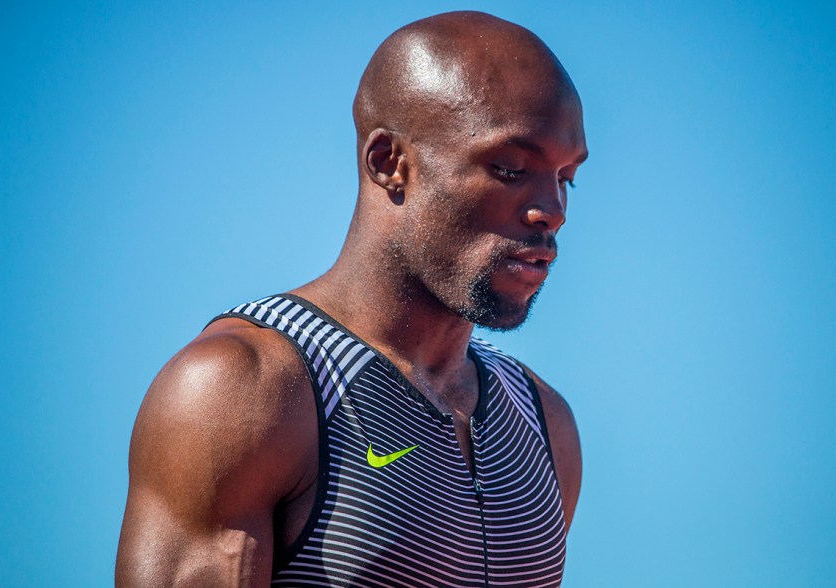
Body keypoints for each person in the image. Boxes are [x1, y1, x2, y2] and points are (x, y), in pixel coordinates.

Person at [116, 10, 588, 587]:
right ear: (390, 163)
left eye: (566, 177)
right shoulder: (242, 394)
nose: (553, 211)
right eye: (511, 168)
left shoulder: (544, 427)